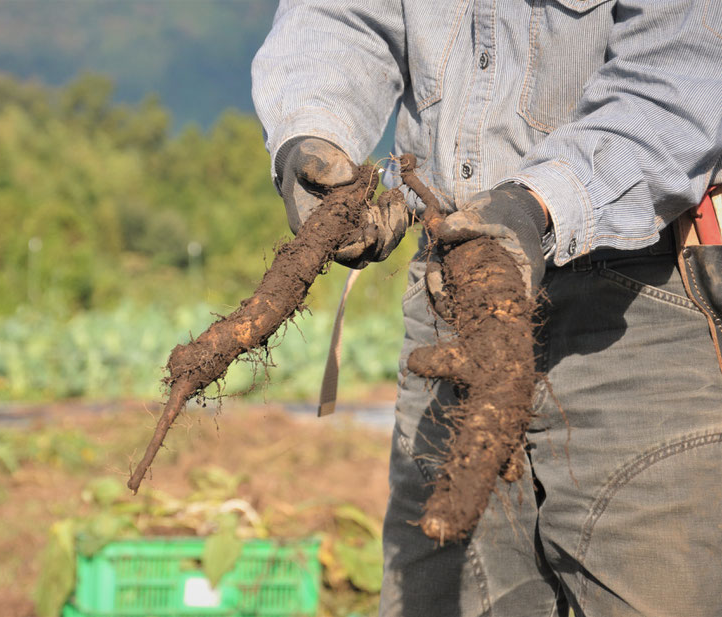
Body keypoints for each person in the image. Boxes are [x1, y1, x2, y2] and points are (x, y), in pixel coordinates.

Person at [252, 2, 722, 616]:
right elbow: (341, 16)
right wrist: (313, 132)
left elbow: (689, 64)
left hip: (638, 284)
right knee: (441, 587)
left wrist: (539, 202)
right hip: (449, 290)